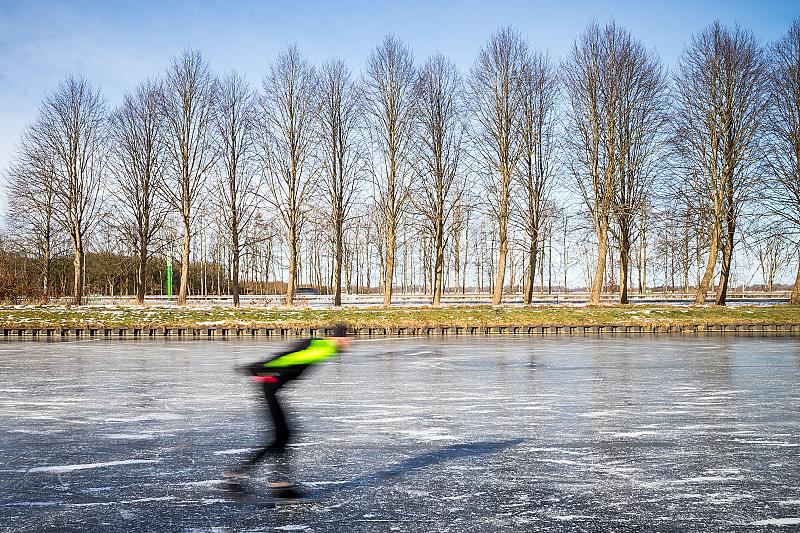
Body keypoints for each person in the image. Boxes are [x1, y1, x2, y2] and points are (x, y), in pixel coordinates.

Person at [226, 324, 352, 499]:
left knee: (283, 435)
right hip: (270, 382)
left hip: (271, 384)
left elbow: (288, 356)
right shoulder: (322, 348)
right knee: (282, 435)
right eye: (348, 338)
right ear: (339, 338)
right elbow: (289, 358)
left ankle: (278, 483)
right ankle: (239, 476)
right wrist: (260, 367)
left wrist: (262, 367)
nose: (350, 342)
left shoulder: (321, 346)